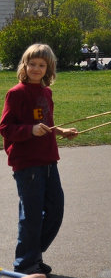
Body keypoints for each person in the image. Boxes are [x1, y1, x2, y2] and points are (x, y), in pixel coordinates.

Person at [0, 43, 78, 276]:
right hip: (27, 162)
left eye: (41, 65)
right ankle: (25, 264)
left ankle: (33, 255)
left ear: (48, 68)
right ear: (24, 65)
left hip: (48, 160)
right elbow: (5, 128)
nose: (36, 68)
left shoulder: (46, 93)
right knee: (32, 214)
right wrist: (29, 131)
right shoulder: (16, 93)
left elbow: (46, 123)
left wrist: (61, 131)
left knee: (55, 210)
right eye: (32, 64)